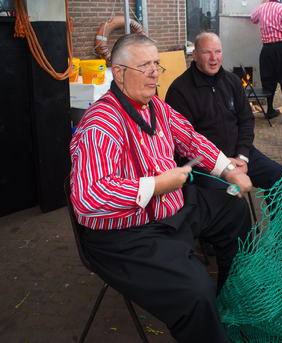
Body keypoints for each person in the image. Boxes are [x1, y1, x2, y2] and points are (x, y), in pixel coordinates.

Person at [69, 33, 253, 343]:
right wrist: (155, 185)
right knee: (195, 289)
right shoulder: (100, 124)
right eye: (145, 66)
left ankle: (227, 298)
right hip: (125, 234)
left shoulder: (156, 106)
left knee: (233, 209)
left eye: (157, 64)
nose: (155, 72)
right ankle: (207, 322)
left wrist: (228, 169)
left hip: (171, 209)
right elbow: (89, 198)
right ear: (119, 73)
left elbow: (190, 138)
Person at [166, 32, 282, 205]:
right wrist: (222, 164)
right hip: (204, 163)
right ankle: (235, 230)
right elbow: (186, 140)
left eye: (218, 51)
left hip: (239, 154)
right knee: (232, 202)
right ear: (195, 55)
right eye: (207, 52)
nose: (214, 58)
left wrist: (242, 157)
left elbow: (246, 119)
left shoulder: (232, 82)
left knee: (277, 175)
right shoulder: (179, 91)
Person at [250, 0, 282, 123]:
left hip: (266, 49)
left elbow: (253, 19)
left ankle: (270, 110)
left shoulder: (261, 8)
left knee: (268, 79)